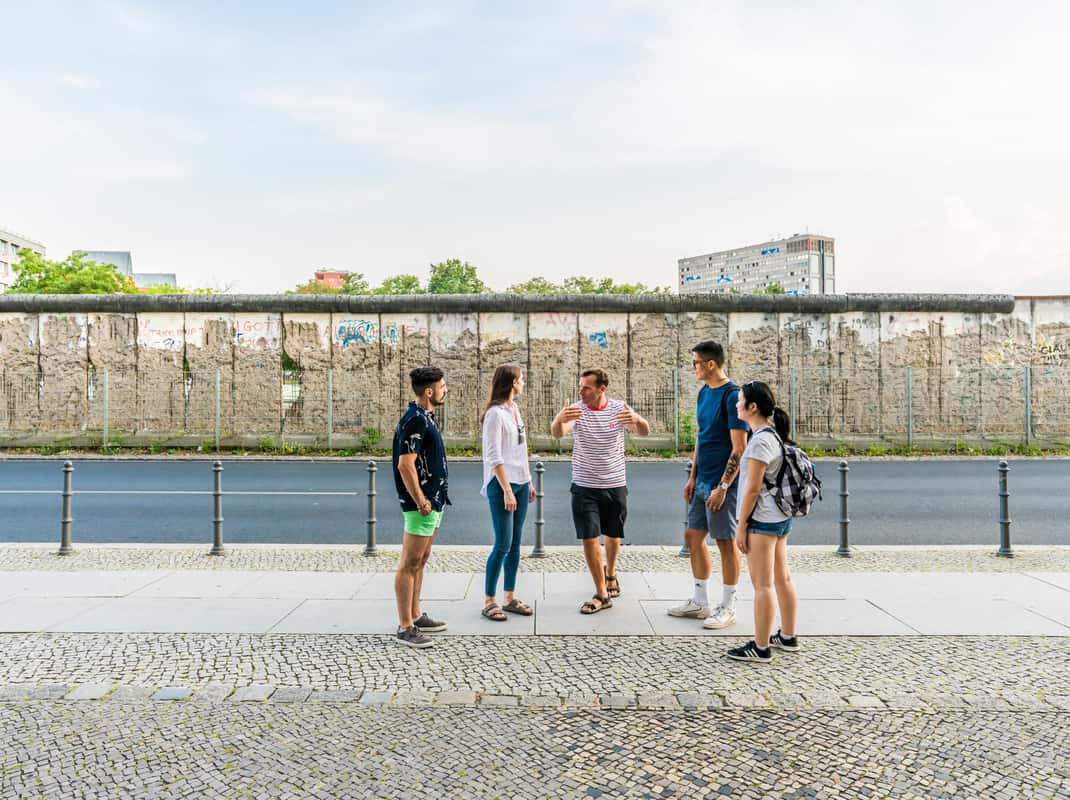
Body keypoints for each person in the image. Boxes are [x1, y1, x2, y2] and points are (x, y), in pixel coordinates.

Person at [551, 368, 650, 614]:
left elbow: (644, 430)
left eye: (586, 387)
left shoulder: (618, 408)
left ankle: (612, 571)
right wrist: (559, 419)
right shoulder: (577, 409)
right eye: (580, 386)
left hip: (614, 484)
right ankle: (601, 593)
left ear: (601, 389)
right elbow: (558, 433)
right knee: (589, 537)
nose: (581, 391)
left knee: (614, 536)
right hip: (584, 485)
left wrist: (636, 419)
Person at [668, 341, 749, 629]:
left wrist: (723, 486)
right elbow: (702, 437)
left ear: (711, 364)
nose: (694, 368)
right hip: (702, 480)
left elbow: (739, 447)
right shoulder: (704, 393)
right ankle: (700, 602)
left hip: (722, 483)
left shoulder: (732, 396)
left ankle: (728, 606)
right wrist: (692, 477)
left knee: (726, 542)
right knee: (693, 536)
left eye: (696, 363)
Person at [726, 380, 799, 663]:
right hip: (779, 517)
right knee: (782, 577)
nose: (736, 404)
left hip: (762, 520)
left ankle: (760, 646)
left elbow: (752, 489)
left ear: (752, 407)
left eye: (740, 400)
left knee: (762, 585)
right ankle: (788, 636)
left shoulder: (759, 441)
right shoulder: (773, 434)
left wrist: (741, 526)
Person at [392, 366, 451, 649]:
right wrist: (421, 501)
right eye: (442, 386)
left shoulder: (425, 417)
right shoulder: (415, 420)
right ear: (429, 391)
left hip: (433, 501)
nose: (445, 390)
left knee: (422, 559)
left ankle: (415, 614)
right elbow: (406, 465)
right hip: (422, 504)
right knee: (409, 562)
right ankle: (405, 627)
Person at [480, 364, 536, 622]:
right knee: (502, 543)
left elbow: (519, 451)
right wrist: (506, 490)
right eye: (521, 379)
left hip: (521, 483)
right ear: (512, 383)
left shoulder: (515, 410)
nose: (523, 383)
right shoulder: (494, 414)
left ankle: (509, 597)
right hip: (502, 485)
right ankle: (489, 600)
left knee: (515, 544)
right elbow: (494, 455)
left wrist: (528, 481)